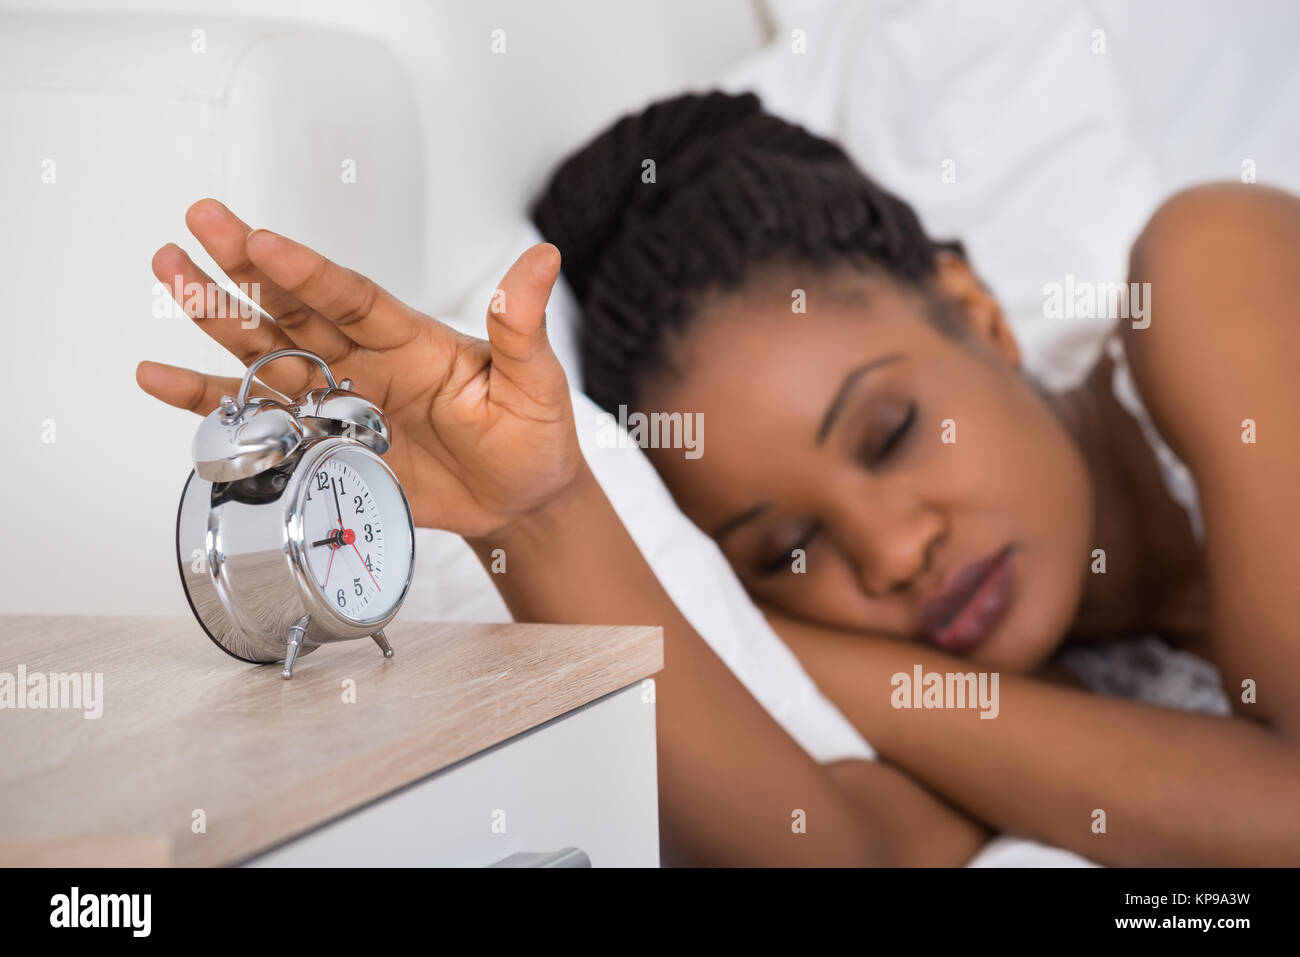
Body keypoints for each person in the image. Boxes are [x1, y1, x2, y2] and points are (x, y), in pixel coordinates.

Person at [137, 91, 1300, 866]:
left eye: (889, 432)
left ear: (976, 311)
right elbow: (844, 855)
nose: (894, 555)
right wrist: (534, 519)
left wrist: (822, 655)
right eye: (786, 551)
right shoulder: (1011, 691)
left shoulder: (1210, 269)